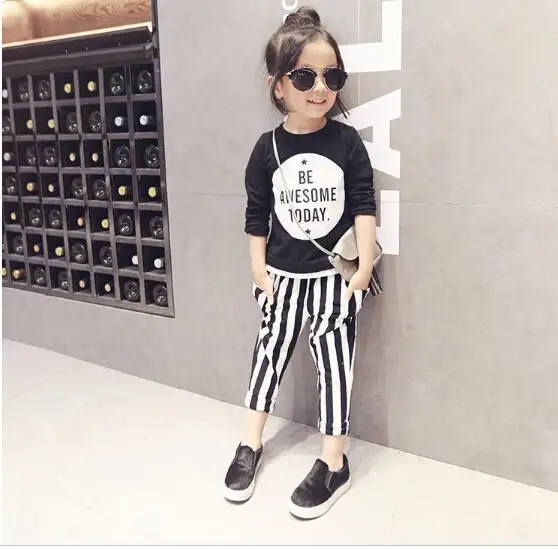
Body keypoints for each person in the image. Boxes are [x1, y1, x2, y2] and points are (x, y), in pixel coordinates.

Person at [224, 6, 381, 520]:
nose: (320, 88)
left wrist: (363, 266)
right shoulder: (266, 148)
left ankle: (333, 462)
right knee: (268, 355)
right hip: (282, 278)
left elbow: (363, 204)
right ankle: (250, 442)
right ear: (277, 86)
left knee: (335, 366)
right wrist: (258, 269)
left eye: (332, 77)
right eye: (304, 77)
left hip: (334, 278)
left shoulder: (346, 142)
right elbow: (257, 215)